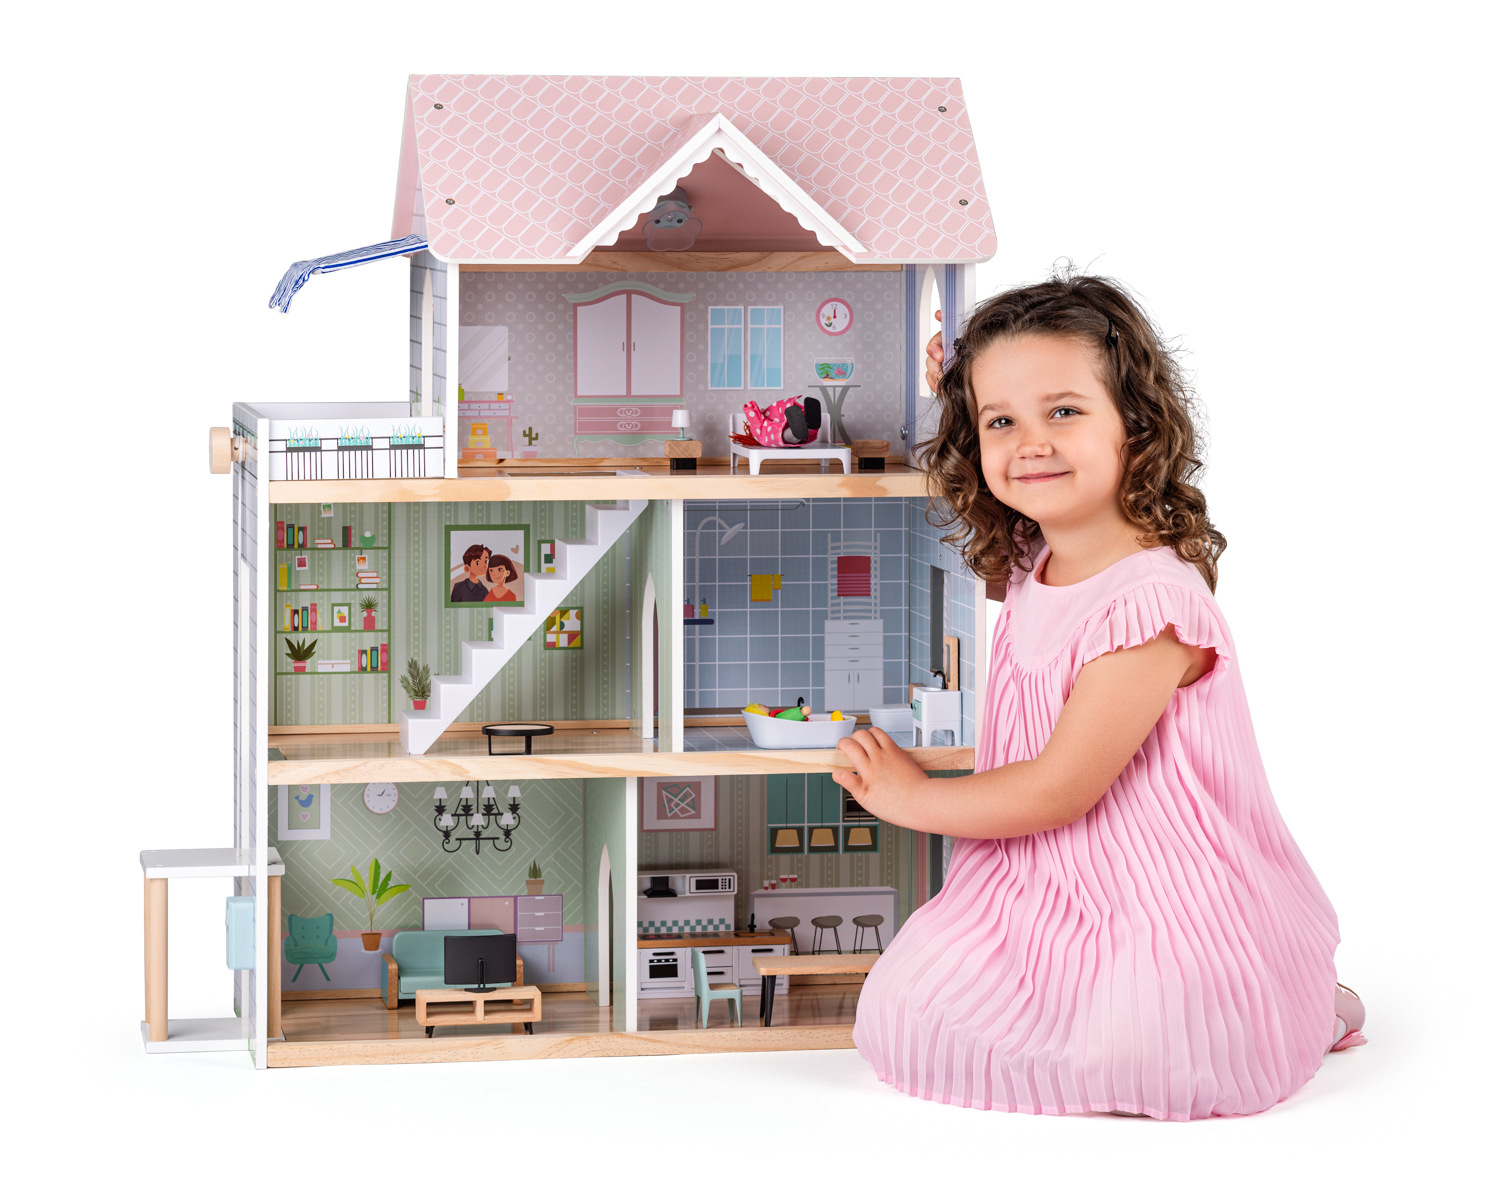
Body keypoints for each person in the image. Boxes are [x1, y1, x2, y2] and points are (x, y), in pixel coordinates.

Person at [837, 273, 1364, 1121]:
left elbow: (1059, 789)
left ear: (1136, 426)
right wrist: (955, 390)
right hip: (1037, 886)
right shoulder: (1035, 558)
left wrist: (912, 798)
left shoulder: (1149, 604)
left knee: (1149, 1048)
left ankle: (1297, 997)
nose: (1031, 444)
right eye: (1001, 422)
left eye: (1064, 411)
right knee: (902, 1013)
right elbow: (1006, 505)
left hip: (1162, 892)